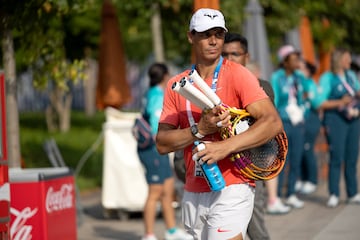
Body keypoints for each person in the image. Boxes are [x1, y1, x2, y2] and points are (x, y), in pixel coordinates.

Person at [156, 8, 283, 240]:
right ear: (190, 37)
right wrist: (200, 130)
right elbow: (163, 143)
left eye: (219, 34)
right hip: (194, 187)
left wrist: (224, 147)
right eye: (205, 34)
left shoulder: (238, 75)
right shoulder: (178, 84)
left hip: (234, 185)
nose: (213, 41)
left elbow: (272, 122)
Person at [222, 32, 287, 240]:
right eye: (225, 54)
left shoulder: (261, 86)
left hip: (249, 165)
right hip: (218, 166)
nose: (229, 59)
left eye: (235, 54)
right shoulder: (212, 85)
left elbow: (269, 128)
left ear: (246, 57)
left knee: (253, 219)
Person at [137, 63, 192, 240]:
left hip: (155, 150)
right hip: (152, 150)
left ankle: (171, 230)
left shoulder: (150, 92)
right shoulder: (156, 95)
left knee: (168, 189)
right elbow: (156, 129)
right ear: (165, 76)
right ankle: (149, 234)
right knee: (155, 192)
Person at [317, 48, 360, 207]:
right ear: (339, 60)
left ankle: (353, 192)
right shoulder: (328, 78)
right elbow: (320, 102)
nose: (350, 61)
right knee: (336, 157)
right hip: (335, 120)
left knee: (352, 156)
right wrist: (340, 103)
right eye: (347, 58)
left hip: (353, 119)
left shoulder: (351, 76)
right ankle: (334, 193)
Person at [270, 45, 307, 209]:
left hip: (297, 121)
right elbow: (274, 101)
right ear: (285, 62)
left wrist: (302, 112)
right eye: (293, 59)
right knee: (283, 159)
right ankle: (276, 196)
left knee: (297, 157)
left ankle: (291, 193)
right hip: (283, 121)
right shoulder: (277, 77)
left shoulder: (298, 77)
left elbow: (302, 96)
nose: (296, 62)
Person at [297, 59, 322, 195]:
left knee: (307, 149)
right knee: (300, 149)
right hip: (301, 121)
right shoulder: (298, 82)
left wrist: (306, 96)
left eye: (300, 67)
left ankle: (312, 180)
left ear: (306, 70)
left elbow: (316, 102)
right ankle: (303, 179)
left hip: (310, 119)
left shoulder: (309, 83)